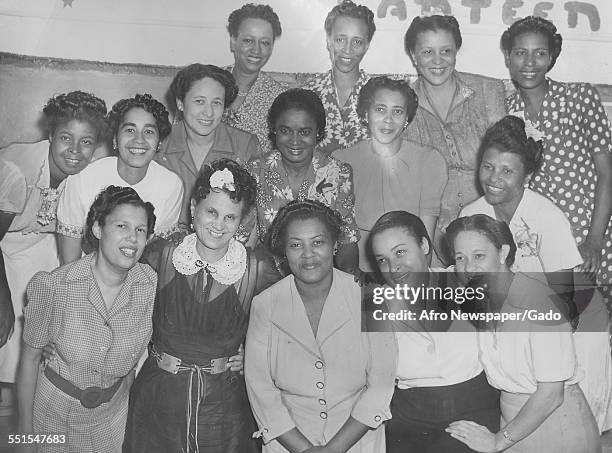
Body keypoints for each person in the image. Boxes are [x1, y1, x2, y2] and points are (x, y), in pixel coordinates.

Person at [460, 115, 612, 432]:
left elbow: (567, 300)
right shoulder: (471, 215)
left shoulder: (546, 217)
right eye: (487, 166)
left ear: (527, 175)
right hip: (524, 320)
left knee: (579, 422)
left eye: (507, 170)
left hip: (577, 317)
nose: (493, 178)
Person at [123, 159, 276, 453]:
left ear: (241, 220)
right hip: (160, 400)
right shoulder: (162, 256)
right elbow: (115, 292)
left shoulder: (256, 268)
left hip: (224, 406)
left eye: (230, 217)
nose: (219, 225)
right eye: (211, 212)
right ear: (194, 208)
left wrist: (256, 354)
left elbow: (289, 319)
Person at [245, 199, 396, 453]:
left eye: (318, 242)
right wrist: (304, 450)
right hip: (288, 442)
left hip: (357, 440)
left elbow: (381, 384)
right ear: (284, 251)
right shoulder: (265, 304)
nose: (308, 254)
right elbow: (260, 388)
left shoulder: (369, 298)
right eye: (295, 245)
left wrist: (334, 449)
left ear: (335, 245)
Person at [17, 186, 157, 453]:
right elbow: (29, 359)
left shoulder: (150, 285)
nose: (132, 238)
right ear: (97, 229)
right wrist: (26, 439)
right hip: (53, 419)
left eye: (140, 230)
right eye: (121, 226)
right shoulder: (55, 286)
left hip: (112, 419)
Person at [446, 214, 601, 452]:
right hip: (513, 425)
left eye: (479, 256)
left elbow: (551, 394)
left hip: (557, 424)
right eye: (460, 258)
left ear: (502, 252)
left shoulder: (540, 302)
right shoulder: (480, 298)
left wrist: (498, 440)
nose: (468, 268)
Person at [0, 91, 107, 410]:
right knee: (14, 310)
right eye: (65, 138)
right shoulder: (17, 169)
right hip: (5, 244)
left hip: (39, 243)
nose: (75, 151)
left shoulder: (89, 175)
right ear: (50, 135)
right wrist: (3, 301)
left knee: (57, 290)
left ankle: (32, 391)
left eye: (86, 142)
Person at [368, 211, 500, 453]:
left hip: (474, 409)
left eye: (400, 252)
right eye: (382, 260)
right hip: (409, 417)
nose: (393, 266)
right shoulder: (377, 308)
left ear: (424, 245)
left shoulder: (464, 280)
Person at [502, 16, 612, 303]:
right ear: (508, 57)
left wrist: (594, 242)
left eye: (540, 53)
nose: (529, 62)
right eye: (520, 53)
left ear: (551, 57)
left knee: (597, 331)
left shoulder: (580, 97)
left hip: (591, 235)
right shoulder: (507, 113)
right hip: (540, 243)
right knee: (555, 332)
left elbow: (606, 173)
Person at [403, 15, 506, 264]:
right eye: (427, 52)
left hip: (491, 213)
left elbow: (507, 160)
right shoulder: (403, 102)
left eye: (446, 51)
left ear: (456, 52)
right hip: (434, 222)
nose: (437, 61)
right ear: (414, 55)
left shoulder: (487, 91)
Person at [335, 76, 447, 271]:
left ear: (406, 119)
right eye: (380, 109)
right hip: (358, 270)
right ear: (365, 114)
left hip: (408, 268)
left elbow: (424, 243)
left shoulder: (429, 160)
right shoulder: (341, 160)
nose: (388, 119)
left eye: (397, 111)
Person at [57, 93, 183, 264]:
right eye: (130, 130)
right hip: (86, 275)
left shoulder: (170, 185)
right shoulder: (83, 178)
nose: (139, 140)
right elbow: (69, 261)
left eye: (149, 131)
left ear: (159, 142)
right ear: (115, 139)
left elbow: (155, 257)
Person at [247, 88, 360, 273]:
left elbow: (347, 239)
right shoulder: (255, 172)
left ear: (318, 132)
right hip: (269, 276)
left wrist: (348, 278)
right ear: (274, 130)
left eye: (304, 132)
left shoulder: (339, 174)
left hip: (321, 274)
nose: (294, 141)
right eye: (285, 131)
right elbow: (242, 237)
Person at [156, 63, 261, 230]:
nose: (209, 113)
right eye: (199, 101)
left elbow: (252, 215)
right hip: (168, 246)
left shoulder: (245, 146)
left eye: (217, 103)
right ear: (180, 103)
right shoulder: (160, 144)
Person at [303, 0, 375, 155]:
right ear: (328, 41)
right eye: (340, 40)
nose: (347, 49)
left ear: (366, 46)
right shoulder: (307, 94)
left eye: (357, 41)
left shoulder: (380, 94)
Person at [224, 3, 287, 153]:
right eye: (248, 40)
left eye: (264, 43)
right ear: (233, 41)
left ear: (271, 47)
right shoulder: (206, 83)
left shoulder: (280, 99)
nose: (256, 50)